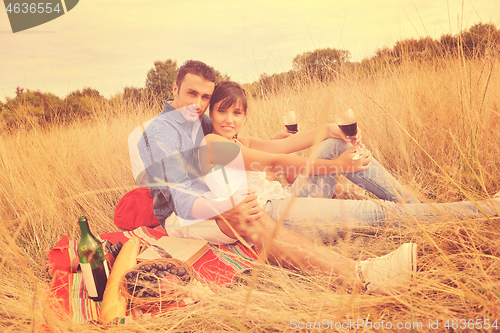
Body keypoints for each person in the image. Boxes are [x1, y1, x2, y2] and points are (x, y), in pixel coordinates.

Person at [133, 60, 419, 295]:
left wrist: (329, 130)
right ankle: (361, 276)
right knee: (250, 212)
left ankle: (418, 207)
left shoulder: (204, 120)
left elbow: (239, 151)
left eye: (205, 97)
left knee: (328, 149)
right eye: (191, 94)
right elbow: (181, 194)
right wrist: (224, 207)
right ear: (175, 88)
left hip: (223, 197)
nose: (198, 104)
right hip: (181, 215)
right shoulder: (159, 133)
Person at [201, 81, 500, 242]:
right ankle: (488, 210)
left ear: (244, 116)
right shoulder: (212, 144)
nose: (229, 119)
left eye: (237, 113)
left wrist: (331, 129)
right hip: (278, 221)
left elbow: (292, 142)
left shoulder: (241, 141)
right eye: (222, 111)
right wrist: (337, 167)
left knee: (333, 142)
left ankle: (419, 207)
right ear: (210, 113)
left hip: (290, 204)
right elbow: (279, 162)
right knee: (380, 213)